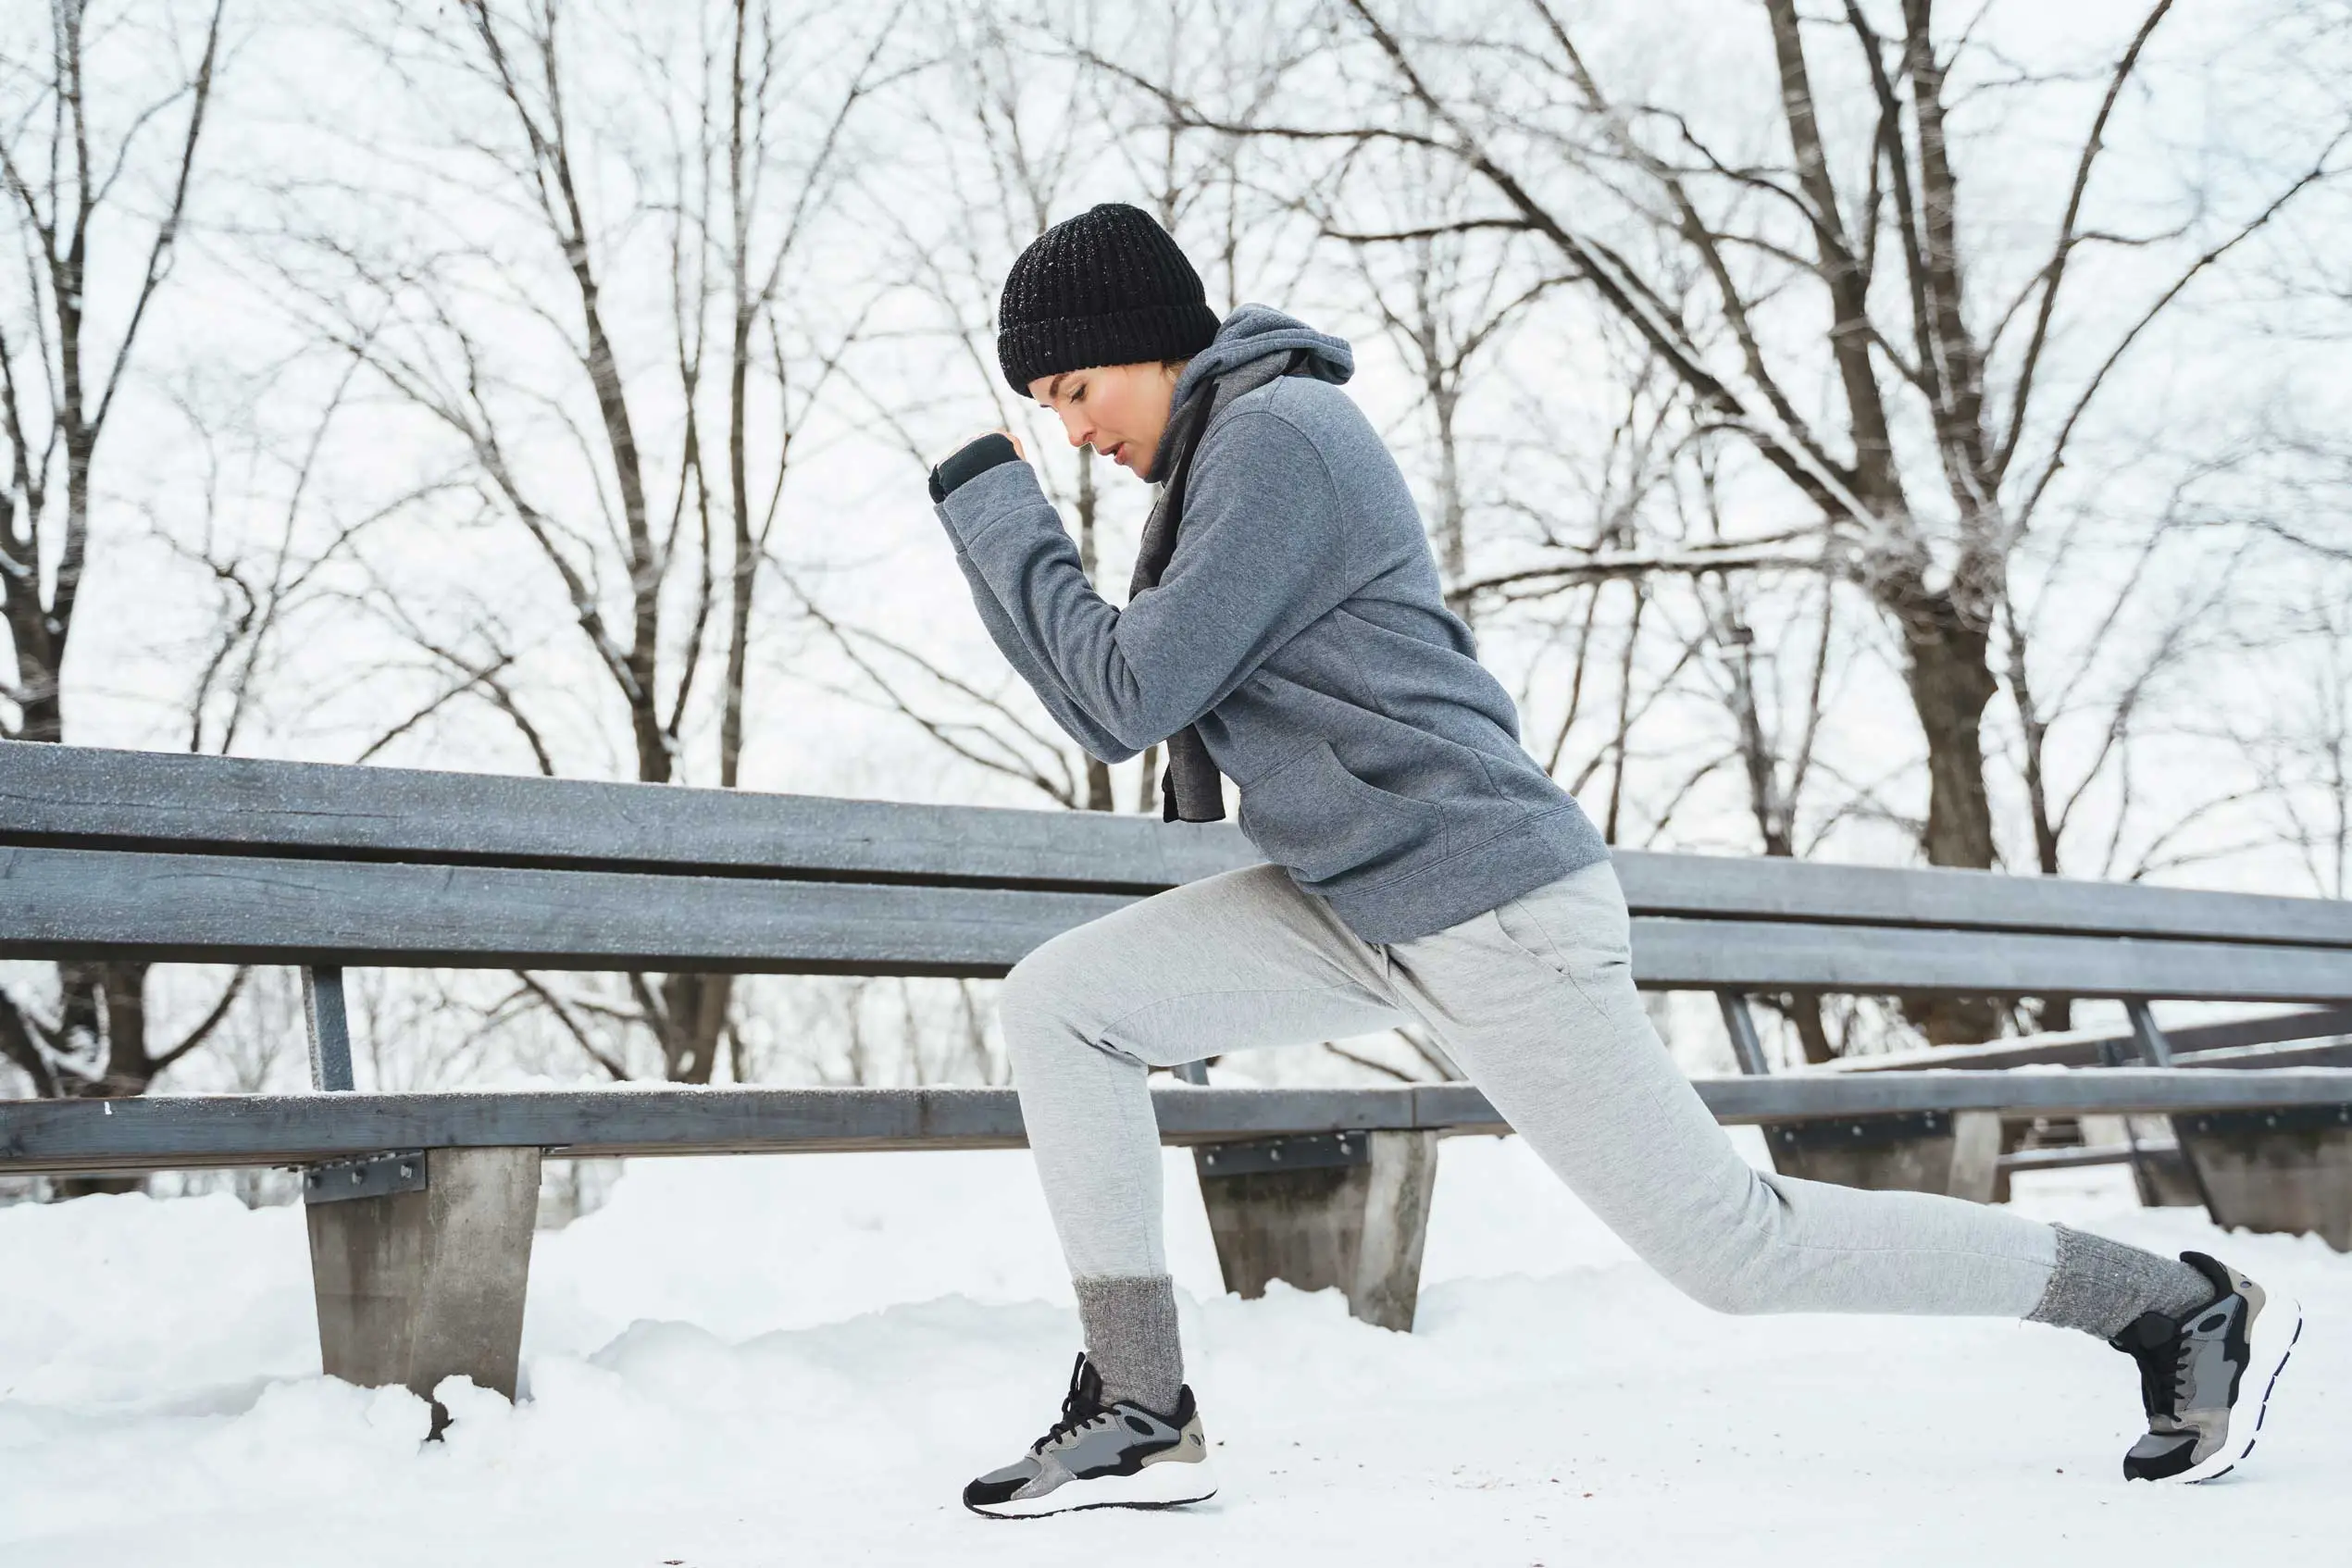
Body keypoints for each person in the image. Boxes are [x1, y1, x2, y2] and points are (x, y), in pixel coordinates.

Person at [925, 201, 2299, 1520]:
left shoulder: (1279, 437)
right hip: (1364, 897)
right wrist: (1003, 508)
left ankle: (2168, 1302)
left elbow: (1123, 694)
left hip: (1488, 901)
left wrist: (995, 503)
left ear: (1162, 340)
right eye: (1042, 405)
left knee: (1735, 1250)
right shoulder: (1227, 455)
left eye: (1077, 383)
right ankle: (1141, 1401)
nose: (1072, 426)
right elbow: (1115, 689)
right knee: (1069, 1000)